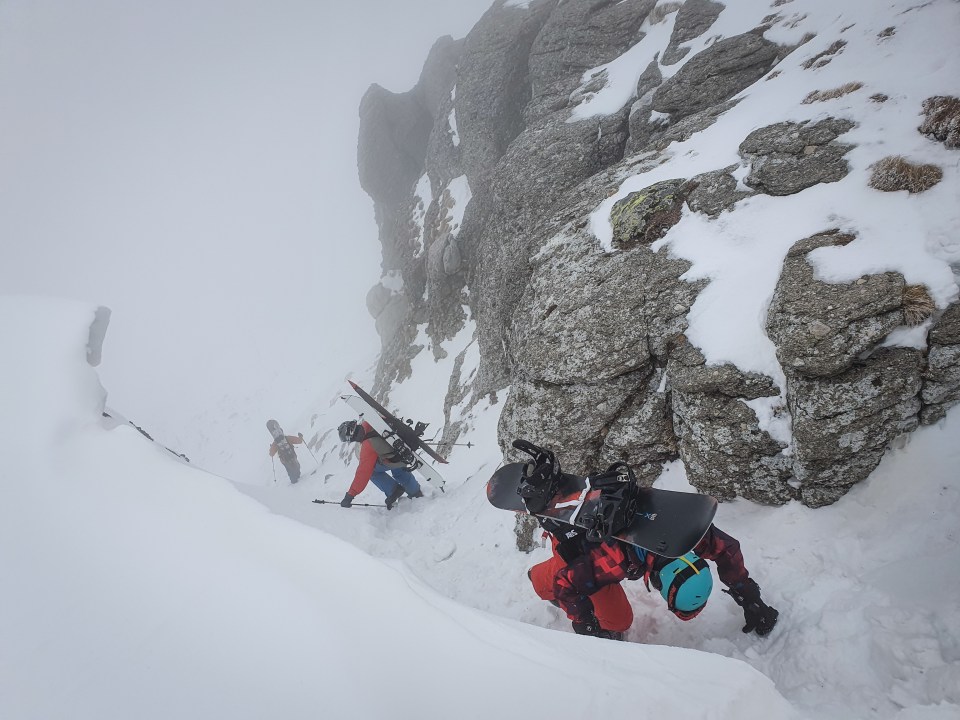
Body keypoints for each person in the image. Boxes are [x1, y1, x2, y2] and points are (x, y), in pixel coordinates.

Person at [518, 443, 779, 640]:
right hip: (578, 553)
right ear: (660, 581)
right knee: (617, 621)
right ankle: (539, 580)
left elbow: (727, 550)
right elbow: (566, 584)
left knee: (586, 580)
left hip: (598, 549)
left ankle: (552, 576)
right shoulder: (613, 562)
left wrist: (749, 596)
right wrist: (584, 623)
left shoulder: (685, 536)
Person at [337, 419, 423, 509]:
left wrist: (350, 495)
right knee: (397, 468)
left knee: (372, 471)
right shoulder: (371, 421)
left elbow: (363, 473)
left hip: (396, 459)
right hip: (404, 452)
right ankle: (415, 491)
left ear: (351, 437)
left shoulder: (368, 446)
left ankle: (393, 491)